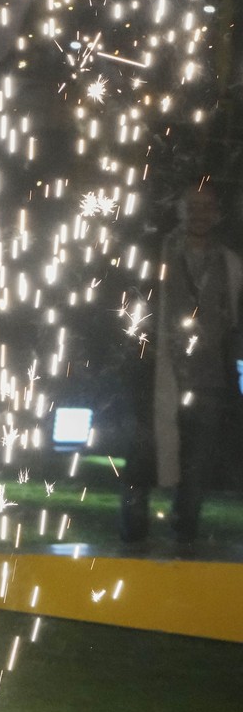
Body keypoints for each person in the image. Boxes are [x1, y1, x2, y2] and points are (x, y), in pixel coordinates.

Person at [120, 183, 241, 550]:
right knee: (142, 453)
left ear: (217, 213)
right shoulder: (154, 253)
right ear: (180, 210)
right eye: (193, 206)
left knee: (197, 464)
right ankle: (132, 529)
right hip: (157, 373)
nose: (200, 213)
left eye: (207, 206)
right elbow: (132, 309)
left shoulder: (231, 264)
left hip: (208, 379)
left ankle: (185, 534)